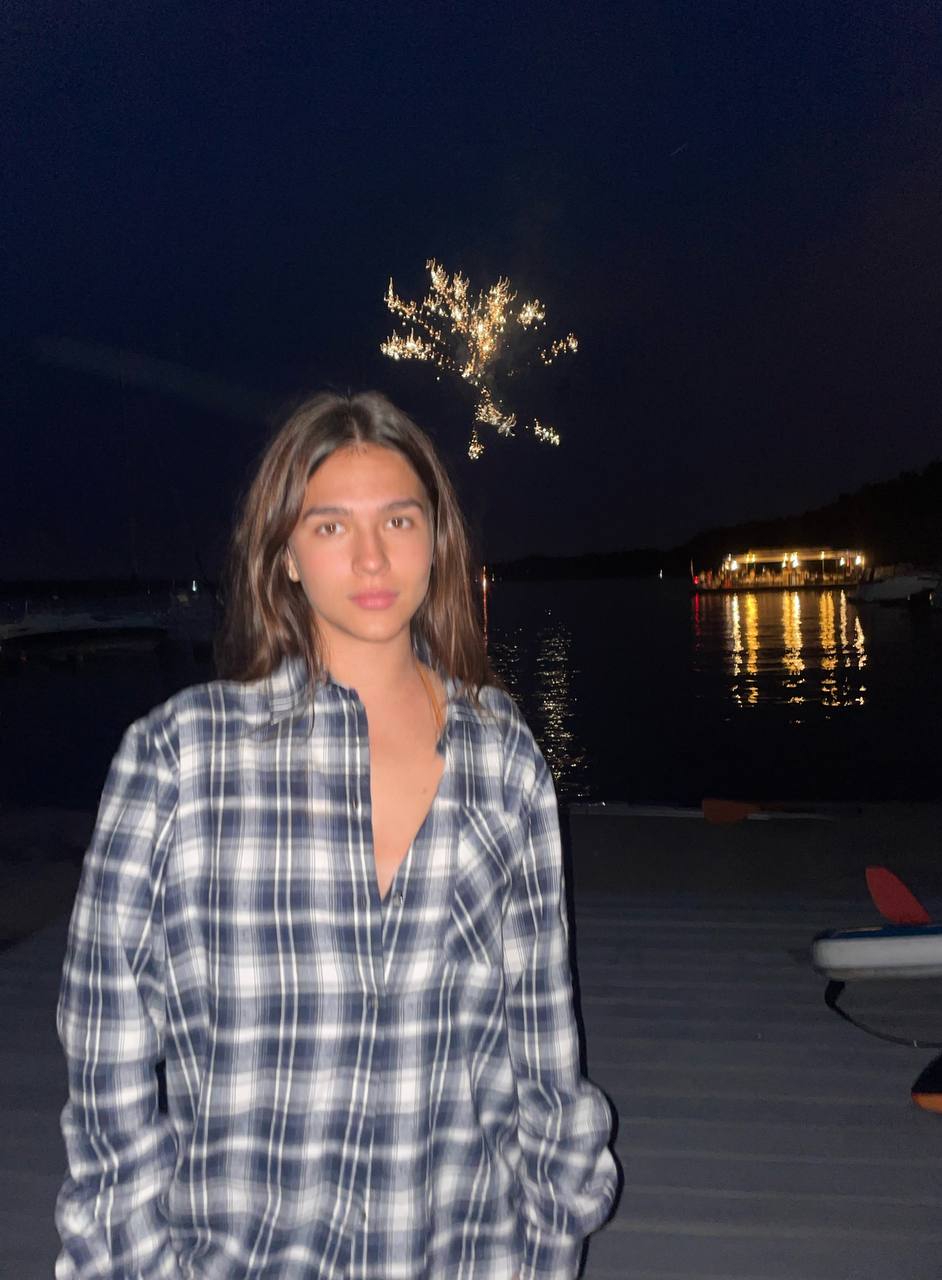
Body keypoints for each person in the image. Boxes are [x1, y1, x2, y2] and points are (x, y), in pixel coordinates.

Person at [55, 391, 618, 1279]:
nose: (371, 556)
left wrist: (550, 1239)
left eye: (399, 519)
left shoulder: (503, 754)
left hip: (468, 1251)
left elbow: (543, 1040)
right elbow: (106, 1056)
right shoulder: (179, 758)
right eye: (329, 526)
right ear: (284, 553)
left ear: (437, 539)